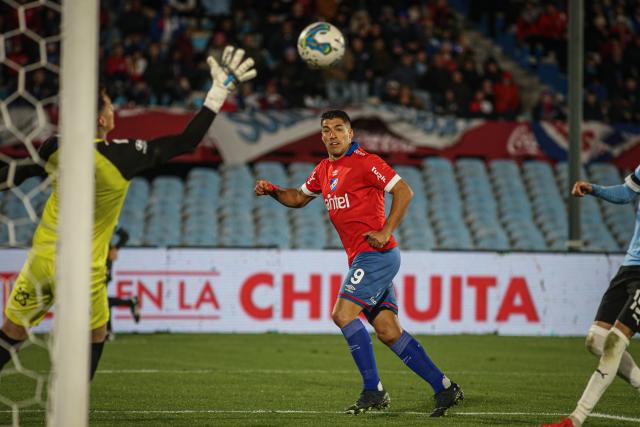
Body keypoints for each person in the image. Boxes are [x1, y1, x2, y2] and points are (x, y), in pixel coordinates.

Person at [0, 46, 256, 380]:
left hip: (41, 260)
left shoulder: (55, 147)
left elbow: (13, 175)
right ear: (100, 119)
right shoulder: (123, 157)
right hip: (83, 267)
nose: (112, 108)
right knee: (96, 333)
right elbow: (186, 141)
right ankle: (73, 404)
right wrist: (218, 92)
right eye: (108, 104)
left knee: (12, 332)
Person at [254, 110, 464, 416]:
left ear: (351, 134)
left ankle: (373, 391)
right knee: (389, 331)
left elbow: (404, 191)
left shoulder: (367, 162)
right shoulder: (324, 170)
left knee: (342, 314)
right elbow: (298, 199)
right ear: (322, 135)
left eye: (339, 129)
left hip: (377, 255)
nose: (333, 134)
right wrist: (273, 191)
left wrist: (386, 230)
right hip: (364, 258)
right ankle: (445, 387)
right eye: (326, 130)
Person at [541, 171, 640, 427]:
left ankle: (575, 419)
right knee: (596, 341)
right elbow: (627, 193)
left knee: (615, 342)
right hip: (629, 267)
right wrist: (594, 188)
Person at [105, 227, 140, 340]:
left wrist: (115, 248)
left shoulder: (106, 220)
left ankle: (108, 331)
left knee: (101, 301)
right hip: (93, 262)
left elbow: (124, 235)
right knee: (101, 301)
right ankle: (130, 302)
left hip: (103, 264)